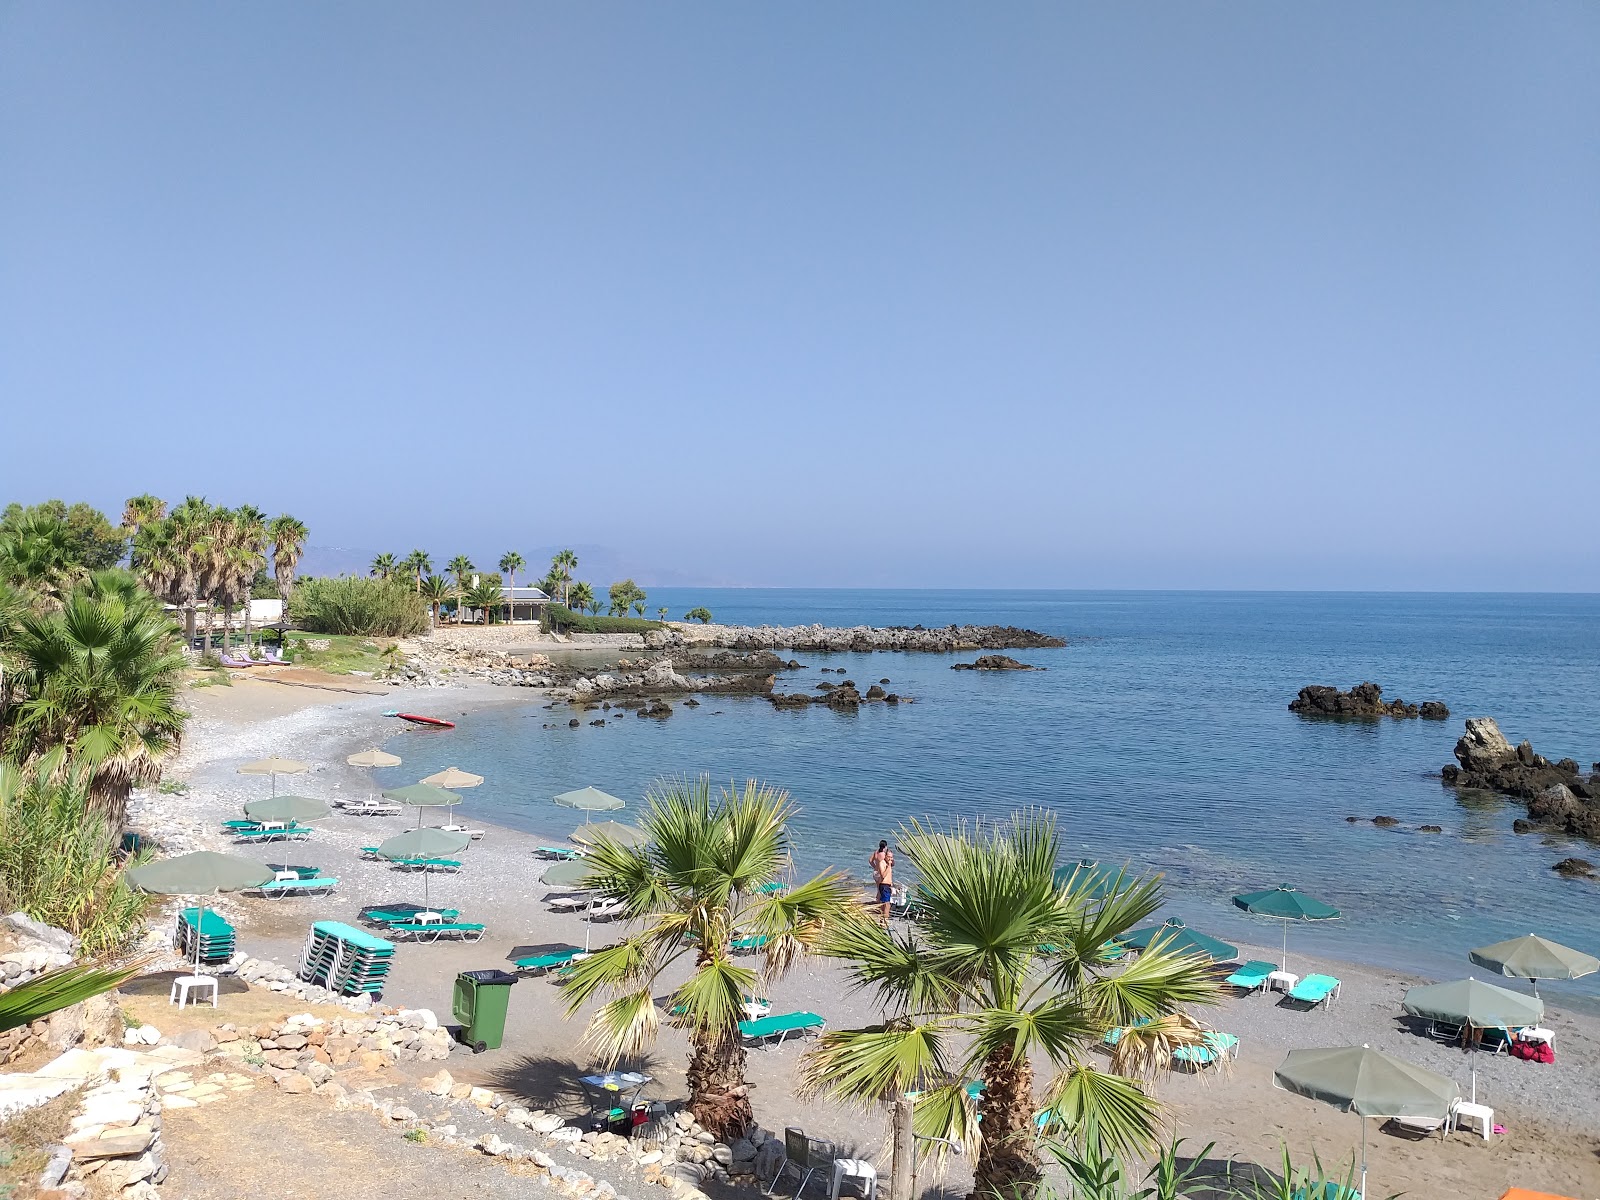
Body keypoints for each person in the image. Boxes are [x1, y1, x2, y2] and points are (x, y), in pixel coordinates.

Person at [869, 839, 895, 924]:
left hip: (876, 872)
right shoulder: (883, 856)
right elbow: (884, 874)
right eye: (889, 857)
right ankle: (884, 919)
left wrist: (875, 867)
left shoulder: (876, 852)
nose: (890, 859)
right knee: (886, 902)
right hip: (882, 876)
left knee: (880, 891)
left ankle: (879, 905)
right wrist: (888, 865)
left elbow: (870, 860)